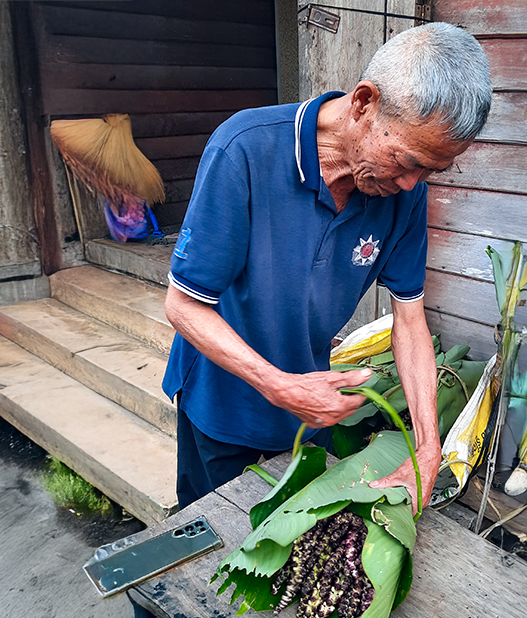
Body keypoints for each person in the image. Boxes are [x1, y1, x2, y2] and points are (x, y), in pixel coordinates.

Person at [162, 23, 492, 514]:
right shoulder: (245, 150)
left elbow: (409, 319)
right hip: (222, 407)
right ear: (363, 103)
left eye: (431, 171)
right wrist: (278, 384)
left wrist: (428, 449)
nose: (410, 183)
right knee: (216, 543)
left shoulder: (402, 194)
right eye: (406, 160)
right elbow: (184, 306)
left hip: (309, 412)